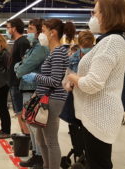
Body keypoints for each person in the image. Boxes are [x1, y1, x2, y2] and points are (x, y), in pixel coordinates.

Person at [67, 0, 125, 168]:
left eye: (95, 12)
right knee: (96, 161)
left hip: (100, 115)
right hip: (96, 114)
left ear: (107, 14)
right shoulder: (108, 41)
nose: (92, 17)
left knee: (99, 163)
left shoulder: (111, 42)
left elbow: (92, 83)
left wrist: (73, 77)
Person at [23, 19, 76, 169]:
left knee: (51, 140)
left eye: (43, 31)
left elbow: (54, 81)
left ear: (52, 33)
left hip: (53, 99)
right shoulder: (53, 52)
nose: (41, 35)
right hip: (45, 97)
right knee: (41, 139)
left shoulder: (59, 52)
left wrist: (35, 76)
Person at [15, 19, 49, 169]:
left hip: (34, 88)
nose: (28, 31)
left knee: (35, 126)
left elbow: (23, 68)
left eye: (30, 29)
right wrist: (20, 66)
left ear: (39, 31)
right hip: (28, 87)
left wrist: (19, 67)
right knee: (30, 123)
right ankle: (36, 154)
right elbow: (22, 65)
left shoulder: (40, 48)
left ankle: (40, 158)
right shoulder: (33, 47)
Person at [6, 18, 31, 135]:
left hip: (19, 83)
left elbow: (25, 63)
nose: (7, 30)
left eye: (8, 27)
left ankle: (26, 136)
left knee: (21, 111)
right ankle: (23, 135)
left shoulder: (23, 42)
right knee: (17, 111)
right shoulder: (16, 42)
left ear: (14, 28)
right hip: (13, 82)